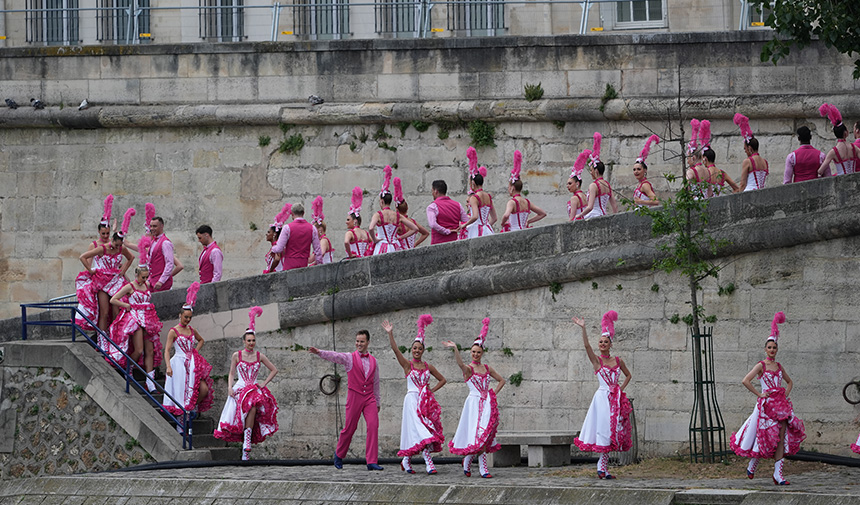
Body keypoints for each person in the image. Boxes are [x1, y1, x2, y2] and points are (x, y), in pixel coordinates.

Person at [730, 312, 805, 485]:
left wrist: (785, 394)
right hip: (766, 406)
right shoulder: (761, 365)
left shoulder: (779, 366)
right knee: (762, 436)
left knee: (780, 436)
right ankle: (752, 464)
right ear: (765, 349)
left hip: (781, 406)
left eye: (775, 347)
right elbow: (745, 380)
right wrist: (760, 394)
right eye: (769, 347)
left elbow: (789, 381)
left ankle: (778, 475)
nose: (772, 350)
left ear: (777, 349)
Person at [308, 330, 383, 470]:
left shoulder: (374, 361)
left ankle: (372, 461)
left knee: (373, 425)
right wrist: (319, 352)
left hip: (369, 398)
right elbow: (335, 356)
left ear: (368, 342)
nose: (359, 344)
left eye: (361, 341)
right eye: (357, 341)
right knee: (350, 428)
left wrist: (377, 402)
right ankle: (339, 454)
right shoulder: (349, 358)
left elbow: (376, 382)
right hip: (355, 396)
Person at [572, 311, 633, 479]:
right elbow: (586, 347)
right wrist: (583, 328)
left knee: (612, 431)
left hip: (615, 399)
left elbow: (628, 375)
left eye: (606, 342)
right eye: (600, 342)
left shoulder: (618, 361)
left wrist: (620, 388)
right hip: (602, 398)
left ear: (610, 344)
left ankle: (603, 467)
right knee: (604, 430)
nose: (602, 344)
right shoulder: (596, 361)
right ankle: (602, 466)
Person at [383, 316, 446, 475]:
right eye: (414, 348)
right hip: (411, 400)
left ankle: (406, 460)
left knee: (421, 431)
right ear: (411, 350)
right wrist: (390, 334)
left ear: (423, 350)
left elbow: (443, 379)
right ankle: (428, 463)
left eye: (420, 348)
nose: (417, 351)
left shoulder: (427, 366)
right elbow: (396, 350)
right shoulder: (407, 365)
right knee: (419, 431)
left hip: (424, 402)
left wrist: (431, 391)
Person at [214, 307, 279, 461]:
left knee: (254, 405)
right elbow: (231, 373)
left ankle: (247, 443)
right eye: (249, 341)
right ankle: (245, 444)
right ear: (244, 341)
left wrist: (263, 383)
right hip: (241, 387)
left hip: (254, 388)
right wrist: (229, 388)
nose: (251, 343)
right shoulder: (237, 355)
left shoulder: (259, 356)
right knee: (240, 415)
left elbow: (274, 370)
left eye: (253, 341)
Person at [443, 318, 505, 479]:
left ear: (482, 353)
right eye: (473, 352)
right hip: (473, 403)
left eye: (478, 352)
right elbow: (460, 365)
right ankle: (473, 462)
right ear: (470, 353)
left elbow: (502, 380)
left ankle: (477, 464)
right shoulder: (469, 369)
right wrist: (455, 349)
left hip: (486, 404)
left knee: (484, 433)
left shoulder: (486, 368)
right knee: (474, 434)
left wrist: (492, 395)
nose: (476, 354)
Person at [107, 236, 164, 392]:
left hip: (148, 318)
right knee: (138, 350)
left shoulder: (147, 285)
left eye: (146, 277)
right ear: (137, 274)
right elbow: (113, 299)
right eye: (142, 277)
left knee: (150, 350)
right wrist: (126, 304)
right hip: (135, 318)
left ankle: (150, 381)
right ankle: (128, 368)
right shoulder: (130, 286)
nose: (144, 280)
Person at [76, 207, 135, 333]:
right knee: (104, 311)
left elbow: (128, 258)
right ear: (99, 232)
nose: (105, 236)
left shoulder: (117, 245)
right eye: (103, 233)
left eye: (107, 233)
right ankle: (103, 338)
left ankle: (115, 335)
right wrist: (91, 272)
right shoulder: (98, 246)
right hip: (101, 280)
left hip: (115, 279)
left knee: (116, 309)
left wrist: (123, 272)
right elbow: (87, 260)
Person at [162, 282, 214, 421]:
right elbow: (167, 350)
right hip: (178, 363)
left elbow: (201, 340)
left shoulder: (192, 330)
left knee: (203, 389)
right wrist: (168, 366)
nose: (188, 319)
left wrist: (194, 352)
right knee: (180, 393)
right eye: (186, 317)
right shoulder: (173, 331)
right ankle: (181, 422)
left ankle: (191, 408)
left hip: (191, 363)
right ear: (180, 315)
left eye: (190, 317)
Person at [369, 166, 418, 254]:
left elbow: (371, 228)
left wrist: (375, 239)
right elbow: (415, 228)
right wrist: (400, 238)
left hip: (381, 245)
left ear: (382, 201)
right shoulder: (397, 215)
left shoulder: (378, 214)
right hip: (394, 245)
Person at [501, 150, 547, 230]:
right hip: (524, 231)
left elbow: (506, 215)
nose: (508, 189)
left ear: (512, 188)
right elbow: (542, 213)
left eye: (509, 187)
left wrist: (503, 223)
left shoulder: (512, 202)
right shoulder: (527, 202)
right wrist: (529, 221)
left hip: (513, 231)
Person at [576, 134, 619, 220]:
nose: (591, 172)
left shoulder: (593, 185)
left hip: (593, 216)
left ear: (596, 171)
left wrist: (579, 215)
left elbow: (590, 207)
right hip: (603, 215)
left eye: (591, 170)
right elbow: (615, 207)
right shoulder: (608, 185)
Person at [271, 203, 323, 269]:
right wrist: (320, 265)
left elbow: (279, 249)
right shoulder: (312, 228)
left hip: (289, 265)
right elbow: (318, 251)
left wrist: (273, 249)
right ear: (303, 213)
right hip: (303, 265)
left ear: (292, 214)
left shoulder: (287, 228)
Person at [463, 147, 496, 238]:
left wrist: (464, 225)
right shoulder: (488, 196)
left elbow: (475, 216)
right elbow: (494, 218)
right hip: (487, 229)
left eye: (470, 183)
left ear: (473, 183)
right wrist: (486, 226)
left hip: (476, 230)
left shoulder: (474, 197)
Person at [817, 103, 858, 177]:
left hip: (840, 183)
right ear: (846, 132)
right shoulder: (854, 148)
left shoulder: (833, 151)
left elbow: (820, 171)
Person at [734, 113, 769, 192]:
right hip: (763, 193)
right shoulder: (765, 162)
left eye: (745, 149)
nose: (745, 151)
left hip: (749, 193)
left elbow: (743, 183)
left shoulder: (748, 161)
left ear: (749, 148)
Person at [426, 180, 468, 244]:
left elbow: (432, 224)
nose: (432, 193)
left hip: (438, 243)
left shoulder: (432, 207)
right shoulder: (458, 205)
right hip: (455, 242)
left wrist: (447, 231)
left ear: (435, 191)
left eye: (432, 191)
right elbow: (466, 221)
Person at [393, 177, 429, 249]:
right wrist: (414, 244)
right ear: (407, 208)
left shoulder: (399, 223)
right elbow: (426, 233)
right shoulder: (413, 222)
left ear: (396, 209)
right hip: (411, 251)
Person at [149, 214, 181, 292]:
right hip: (152, 280)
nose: (152, 228)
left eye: (155, 226)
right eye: (151, 226)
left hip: (161, 282)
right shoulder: (153, 242)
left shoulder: (165, 243)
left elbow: (170, 263)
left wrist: (161, 281)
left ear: (161, 226)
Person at [685, 120, 713, 198]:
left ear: (693, 158)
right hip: (705, 202)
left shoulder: (691, 171)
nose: (687, 162)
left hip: (695, 202)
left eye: (688, 158)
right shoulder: (707, 170)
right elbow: (710, 191)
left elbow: (687, 186)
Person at [345, 187, 374, 258]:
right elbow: (373, 243)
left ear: (355, 221)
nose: (346, 222)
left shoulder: (350, 233)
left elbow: (346, 242)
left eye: (348, 220)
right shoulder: (365, 233)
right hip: (365, 261)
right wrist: (368, 253)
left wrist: (350, 254)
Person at [633, 135, 660, 207]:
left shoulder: (645, 185)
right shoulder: (640, 184)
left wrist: (641, 201)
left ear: (645, 170)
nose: (636, 172)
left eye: (639, 169)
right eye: (634, 169)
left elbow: (656, 201)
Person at [264, 202, 292, 273]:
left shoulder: (278, 245)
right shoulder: (275, 245)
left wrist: (270, 271)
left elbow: (277, 259)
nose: (266, 234)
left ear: (274, 234)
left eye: (268, 232)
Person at [310, 196, 334, 265]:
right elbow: (311, 259)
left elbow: (321, 254)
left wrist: (313, 264)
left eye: (314, 229)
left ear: (320, 229)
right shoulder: (320, 241)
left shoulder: (324, 240)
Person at [567, 150, 590, 220]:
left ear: (577, 183)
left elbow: (572, 217)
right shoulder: (585, 196)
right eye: (567, 184)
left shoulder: (574, 198)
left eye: (570, 183)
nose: (567, 186)